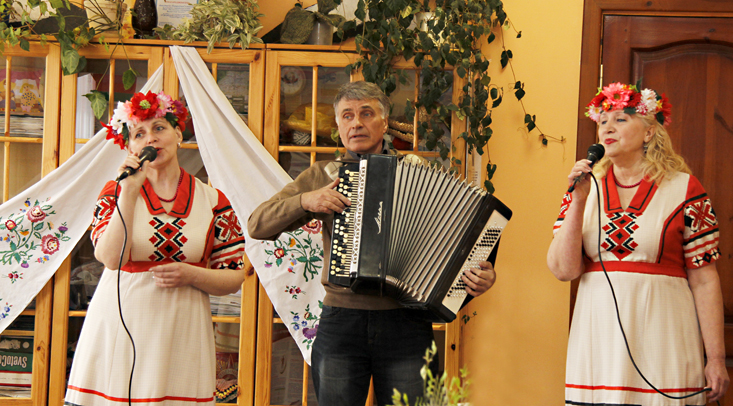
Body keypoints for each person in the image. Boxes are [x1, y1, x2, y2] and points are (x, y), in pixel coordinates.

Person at [248, 81, 497, 406]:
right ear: (338, 125)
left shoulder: (417, 171)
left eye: (366, 114)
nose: (356, 123)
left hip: (407, 324)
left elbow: (456, 239)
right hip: (341, 322)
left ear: (384, 121)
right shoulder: (323, 175)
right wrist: (305, 201)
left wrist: (478, 277)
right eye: (347, 115)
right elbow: (257, 225)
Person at [547, 82, 729, 405]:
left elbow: (704, 280)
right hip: (597, 345)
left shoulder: (685, 189)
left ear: (648, 132)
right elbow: (563, 270)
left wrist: (716, 358)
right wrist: (578, 201)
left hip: (664, 342)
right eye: (603, 121)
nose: (607, 128)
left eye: (620, 119)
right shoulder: (584, 189)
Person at [65, 91, 246, 406]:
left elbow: (233, 277)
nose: (151, 138)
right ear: (130, 148)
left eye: (159, 128)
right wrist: (129, 193)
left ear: (179, 135)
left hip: (183, 330)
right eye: (139, 134)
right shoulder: (115, 192)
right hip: (120, 325)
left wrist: (191, 274)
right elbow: (110, 258)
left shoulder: (214, 200)